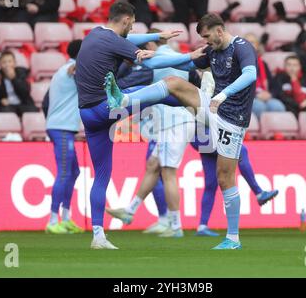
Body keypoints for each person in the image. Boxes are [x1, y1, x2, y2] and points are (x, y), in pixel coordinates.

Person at [106, 13, 258, 250]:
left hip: (232, 117)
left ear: (220, 30)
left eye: (208, 36)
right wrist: (145, 57)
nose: (206, 43)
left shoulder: (241, 47)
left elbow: (251, 75)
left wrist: (223, 94)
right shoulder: (212, 51)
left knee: (224, 177)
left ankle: (233, 238)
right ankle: (124, 100)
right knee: (173, 82)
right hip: (212, 107)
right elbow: (181, 63)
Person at [75, 1, 205, 250]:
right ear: (125, 20)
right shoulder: (115, 40)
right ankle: (198, 102)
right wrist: (188, 56)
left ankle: (98, 236)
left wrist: (158, 35)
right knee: (154, 91)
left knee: (101, 176)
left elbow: (129, 41)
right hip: (108, 107)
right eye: (131, 25)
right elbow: (150, 63)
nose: (132, 29)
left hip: (88, 115)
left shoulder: (94, 34)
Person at [107, 29, 197, 238]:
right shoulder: (178, 57)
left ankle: (176, 226)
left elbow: (126, 82)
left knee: (168, 173)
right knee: (153, 166)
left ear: (149, 45)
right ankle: (130, 211)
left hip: (171, 123)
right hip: (181, 118)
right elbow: (195, 81)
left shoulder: (156, 59)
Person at [45, 40, 84, 234]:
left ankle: (66, 217)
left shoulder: (67, 68)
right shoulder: (72, 69)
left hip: (63, 127)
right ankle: (53, 220)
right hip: (60, 128)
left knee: (74, 171)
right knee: (64, 172)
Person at [245, 33, 286, 118]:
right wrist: (255, 95)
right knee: (259, 106)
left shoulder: (263, 64)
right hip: (247, 98)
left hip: (264, 95)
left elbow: (273, 85)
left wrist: (270, 94)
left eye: (252, 42)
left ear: (257, 46)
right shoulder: (236, 64)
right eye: (246, 42)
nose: (249, 45)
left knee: (278, 106)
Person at [0, 51, 38, 116]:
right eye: (4, 62)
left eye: (9, 61)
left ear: (14, 63)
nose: (7, 65)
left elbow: (26, 92)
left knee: (33, 110)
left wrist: (14, 79)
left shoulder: (21, 74)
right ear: (0, 65)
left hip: (23, 105)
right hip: (8, 107)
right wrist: (0, 101)